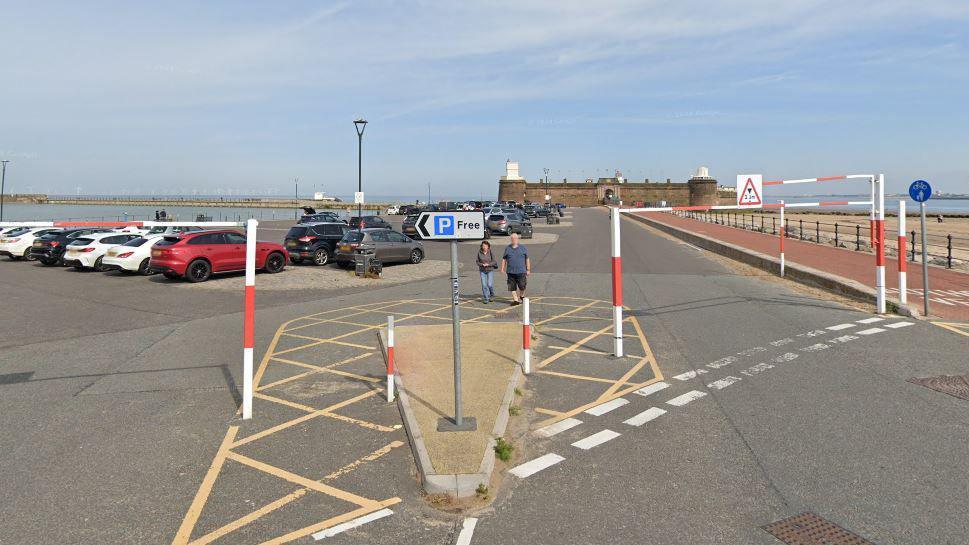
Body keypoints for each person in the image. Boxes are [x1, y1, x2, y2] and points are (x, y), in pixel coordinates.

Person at [500, 232, 531, 305]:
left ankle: (522, 296)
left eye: (515, 238)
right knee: (512, 287)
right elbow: (504, 259)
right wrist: (502, 268)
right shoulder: (507, 248)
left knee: (522, 286)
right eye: (512, 238)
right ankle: (516, 300)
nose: (514, 240)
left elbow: (527, 259)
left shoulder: (523, 248)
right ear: (511, 239)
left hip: (521, 271)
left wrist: (528, 269)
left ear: (518, 239)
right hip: (510, 272)